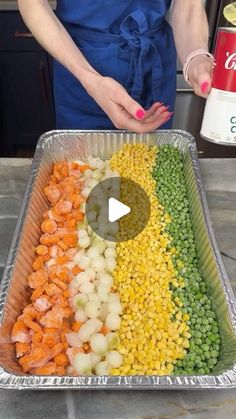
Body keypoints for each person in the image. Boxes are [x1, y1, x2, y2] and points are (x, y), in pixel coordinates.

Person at [18, 0, 214, 134]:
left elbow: (188, 6)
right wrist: (89, 79)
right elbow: (32, 4)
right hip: (80, 65)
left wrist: (195, 56)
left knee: (151, 173)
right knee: (82, 176)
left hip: (153, 67)